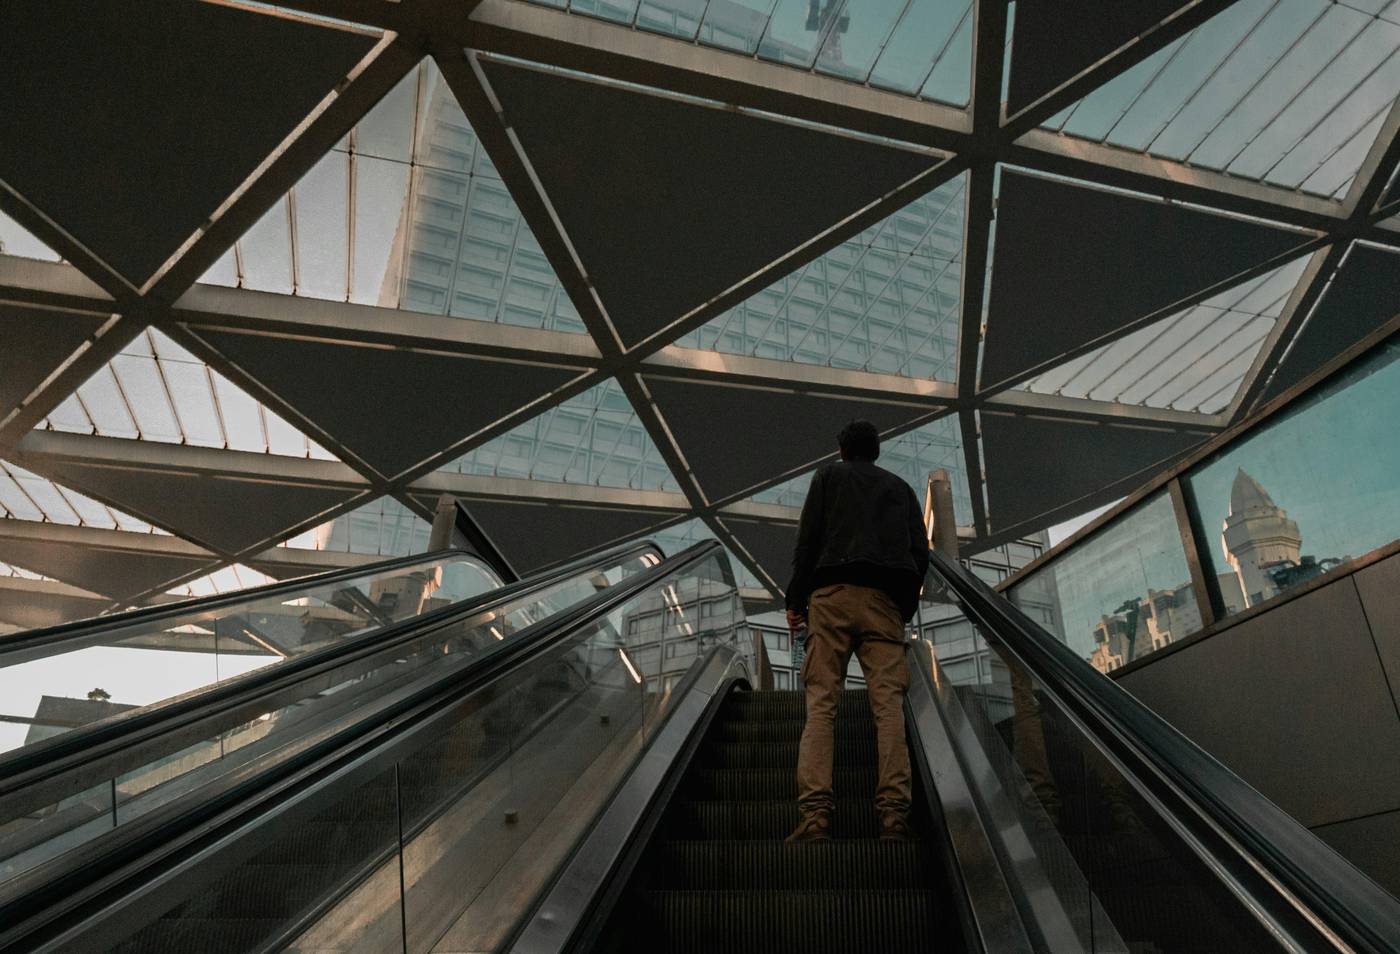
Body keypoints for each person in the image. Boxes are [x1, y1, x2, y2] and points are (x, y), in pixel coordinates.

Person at [784, 420, 930, 843]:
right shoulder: (901, 488)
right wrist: (905, 604)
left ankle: (815, 816)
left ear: (842, 450)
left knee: (822, 704)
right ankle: (893, 816)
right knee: (888, 707)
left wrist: (796, 602)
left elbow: (807, 541)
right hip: (884, 603)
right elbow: (920, 552)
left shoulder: (828, 476)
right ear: (876, 451)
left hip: (831, 598)